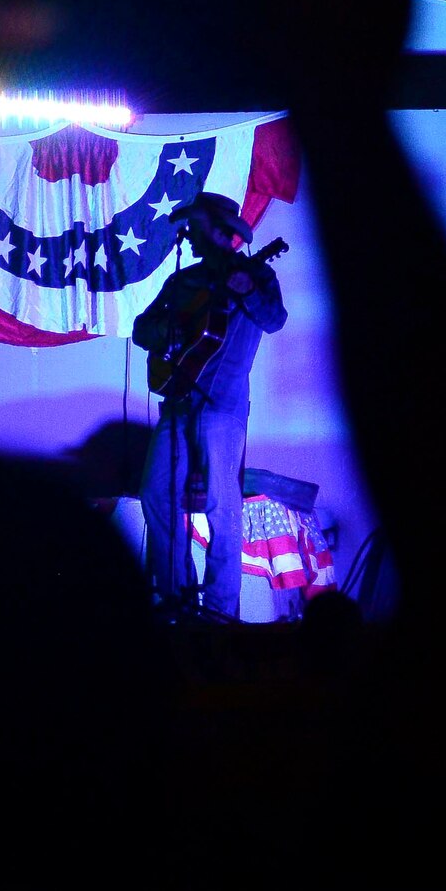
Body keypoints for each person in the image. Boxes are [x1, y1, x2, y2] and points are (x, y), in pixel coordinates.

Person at [131, 191, 287, 619]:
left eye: (197, 228)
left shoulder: (256, 274)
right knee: (155, 494)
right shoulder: (184, 281)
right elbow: (142, 328)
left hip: (223, 406)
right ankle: (177, 599)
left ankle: (219, 611)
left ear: (221, 233)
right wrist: (171, 333)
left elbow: (274, 319)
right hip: (176, 400)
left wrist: (248, 291)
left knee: (223, 505)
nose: (191, 237)